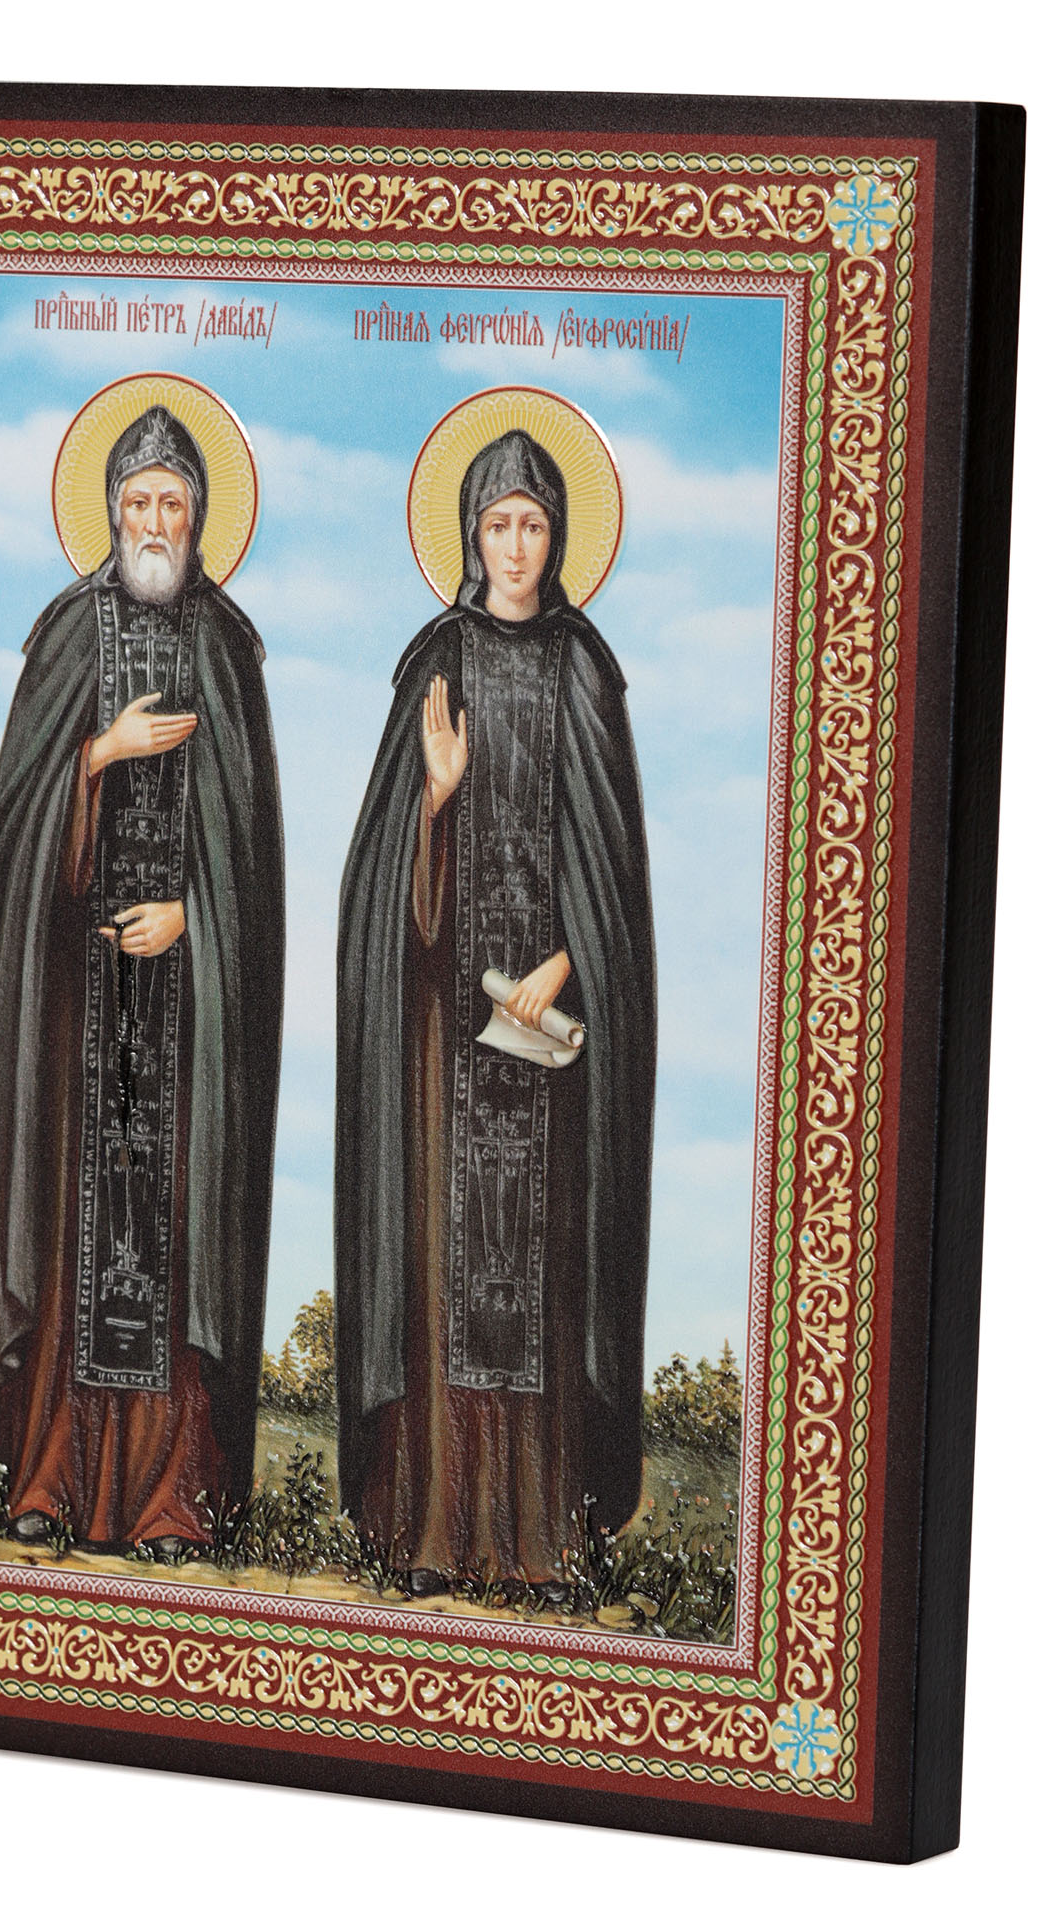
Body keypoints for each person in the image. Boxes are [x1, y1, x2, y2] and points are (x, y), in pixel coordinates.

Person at [334, 428, 656, 1595]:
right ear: (471, 536)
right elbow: (377, 884)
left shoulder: (586, 670)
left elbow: (613, 883)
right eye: (497, 525)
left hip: (553, 1050)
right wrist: (435, 800)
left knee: (541, 1283)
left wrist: (567, 965)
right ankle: (437, 1531)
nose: (516, 548)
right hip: (448, 1046)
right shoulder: (438, 658)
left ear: (557, 536)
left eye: (533, 525)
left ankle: (542, 1541)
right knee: (445, 1278)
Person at [0, 404, 284, 1560]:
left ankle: (171, 1500)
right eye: (139, 502)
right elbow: (14, 828)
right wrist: (97, 757)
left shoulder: (228, 648)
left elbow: (253, 858)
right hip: (80, 1000)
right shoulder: (69, 632)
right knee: (77, 1238)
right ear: (111, 513)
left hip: (186, 1014)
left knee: (175, 1245)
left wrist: (193, 914)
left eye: (174, 504)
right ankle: (52, 1481)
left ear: (200, 518)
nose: (156, 522)